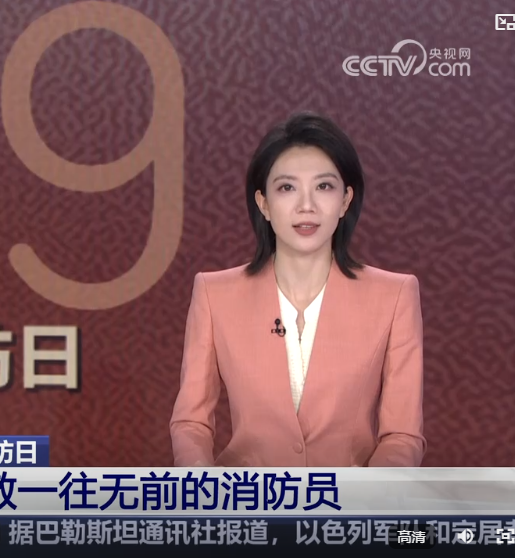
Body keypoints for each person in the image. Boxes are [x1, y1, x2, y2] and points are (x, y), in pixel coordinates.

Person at [169, 111, 425, 467]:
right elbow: (191, 423)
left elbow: (402, 436)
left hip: (349, 499)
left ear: (346, 200)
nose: (307, 206)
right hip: (247, 496)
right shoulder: (215, 295)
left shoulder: (394, 296)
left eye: (324, 187)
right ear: (264, 203)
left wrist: (372, 493)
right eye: (287, 188)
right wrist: (201, 482)